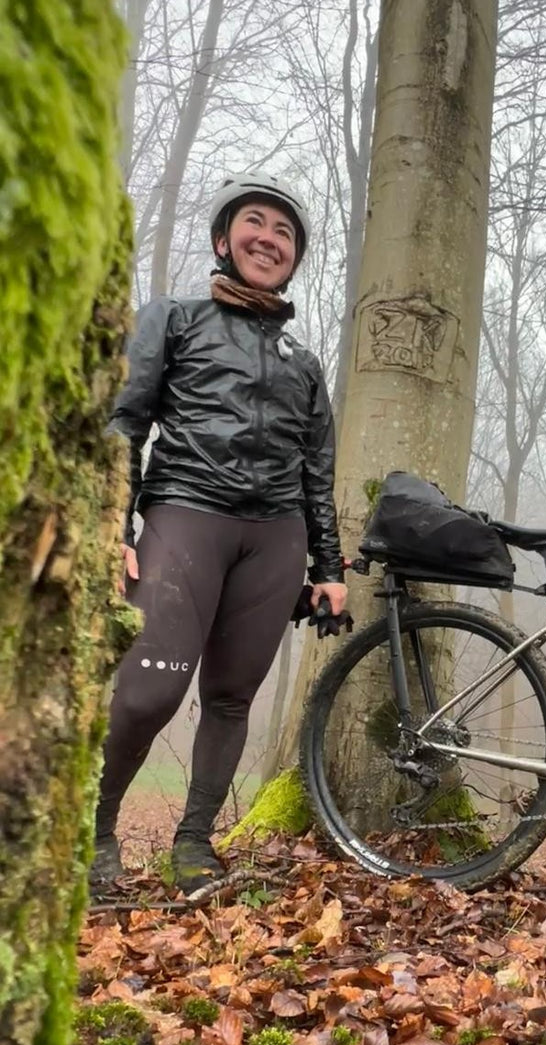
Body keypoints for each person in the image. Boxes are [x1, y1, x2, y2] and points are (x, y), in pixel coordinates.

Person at [91, 172, 347, 895]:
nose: (269, 238)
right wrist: (114, 525)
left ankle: (195, 845)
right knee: (148, 693)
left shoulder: (304, 362)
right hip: (185, 515)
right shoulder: (173, 318)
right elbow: (125, 424)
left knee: (232, 697)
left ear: (295, 257)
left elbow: (316, 471)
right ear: (223, 240)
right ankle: (94, 832)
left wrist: (327, 567)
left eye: (285, 232)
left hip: (274, 539)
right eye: (255, 223)